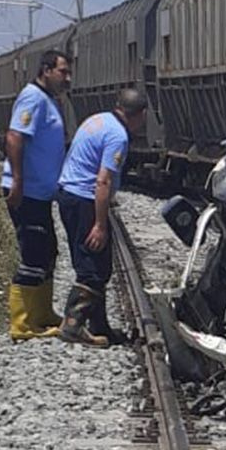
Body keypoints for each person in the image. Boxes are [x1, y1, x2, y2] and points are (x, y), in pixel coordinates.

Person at [56, 88, 147, 346]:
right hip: (84, 198)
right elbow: (103, 181)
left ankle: (99, 326)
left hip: (68, 194)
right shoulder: (118, 136)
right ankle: (73, 323)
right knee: (94, 268)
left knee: (90, 261)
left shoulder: (97, 120)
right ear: (140, 115)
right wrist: (99, 224)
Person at [3, 49, 71, 340]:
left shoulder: (49, 100)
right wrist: (17, 180)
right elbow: (15, 137)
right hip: (26, 190)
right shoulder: (32, 97)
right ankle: (21, 324)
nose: (68, 78)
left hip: (40, 193)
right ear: (46, 70)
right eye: (62, 71)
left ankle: (42, 312)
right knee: (33, 253)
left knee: (48, 250)